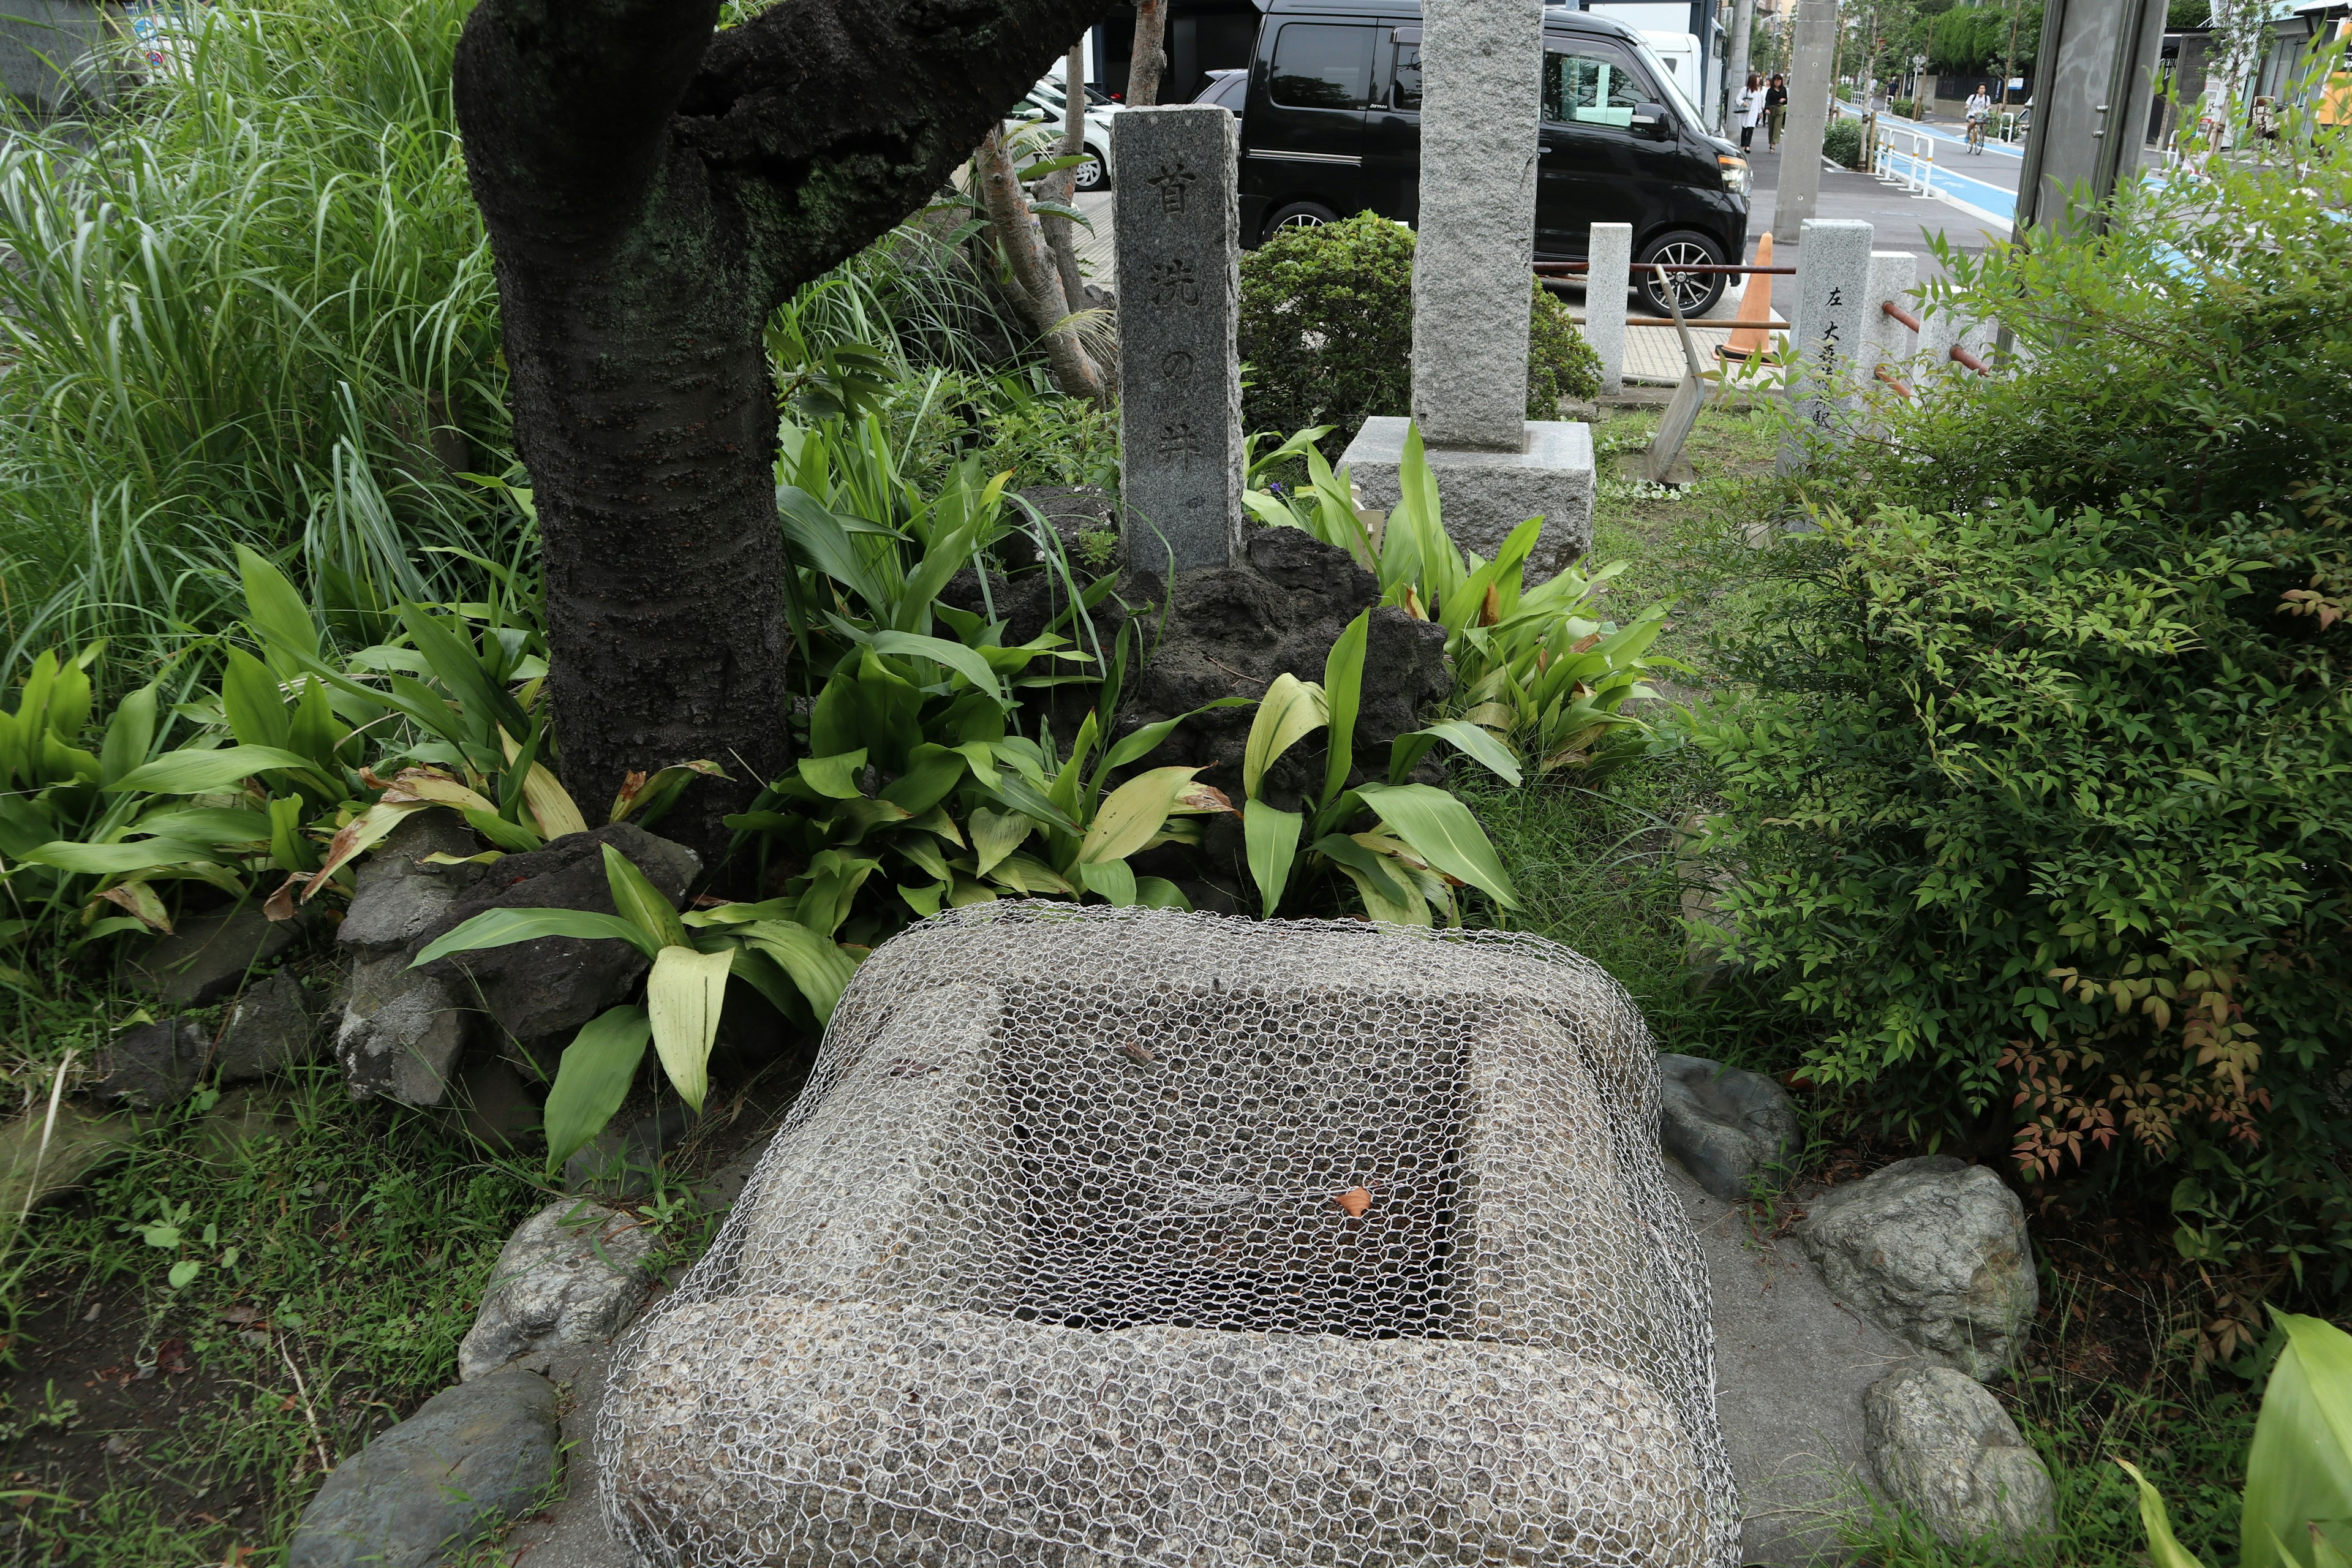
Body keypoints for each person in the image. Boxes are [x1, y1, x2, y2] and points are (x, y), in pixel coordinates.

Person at [1735, 70, 1765, 150]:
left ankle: (1748, 145)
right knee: (1745, 128)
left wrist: (1760, 112)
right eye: (1757, 80)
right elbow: (1738, 99)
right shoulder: (1745, 89)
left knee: (1751, 128)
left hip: (1754, 112)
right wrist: (1743, 103)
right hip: (1746, 111)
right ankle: (1743, 144)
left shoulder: (1758, 91)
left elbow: (1759, 102)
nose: (1758, 81)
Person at [1964, 83, 1992, 153]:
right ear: (1978, 90)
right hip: (1972, 114)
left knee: (1985, 124)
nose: (1982, 90)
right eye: (1981, 88)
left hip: (1981, 115)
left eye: (1984, 89)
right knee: (1973, 122)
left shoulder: (1987, 98)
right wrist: (1967, 107)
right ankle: (1968, 134)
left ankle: (1981, 139)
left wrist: (1989, 109)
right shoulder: (1973, 97)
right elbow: (1966, 106)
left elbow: (1988, 106)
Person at [1765, 74, 1789, 149]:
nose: (1778, 82)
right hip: (1772, 109)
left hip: (1780, 108)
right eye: (1776, 81)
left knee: (1777, 127)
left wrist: (1784, 100)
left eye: (1779, 81)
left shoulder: (1783, 90)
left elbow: (1787, 100)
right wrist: (1767, 109)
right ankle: (1771, 142)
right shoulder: (1770, 91)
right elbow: (1767, 101)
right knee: (1771, 127)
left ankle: (1773, 144)